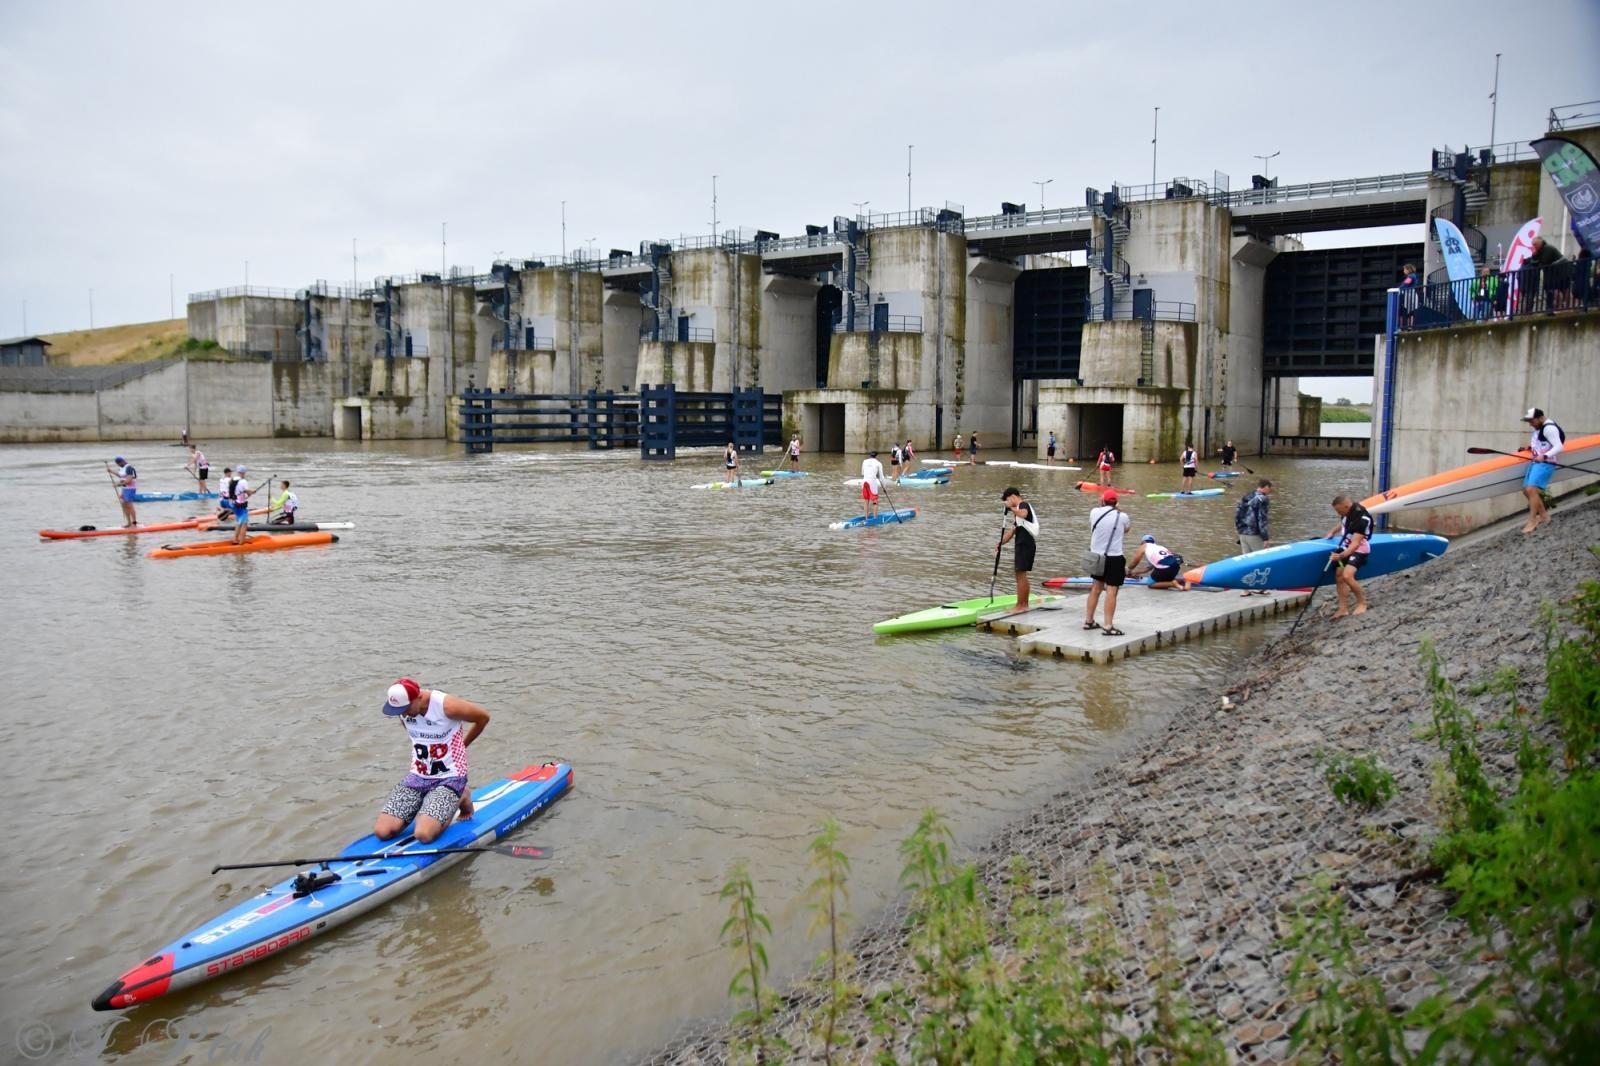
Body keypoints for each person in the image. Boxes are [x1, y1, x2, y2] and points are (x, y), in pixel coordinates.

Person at [374, 678, 490, 845]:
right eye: (400, 711)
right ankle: (429, 801)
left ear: (419, 697)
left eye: (406, 709)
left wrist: (463, 745)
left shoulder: (447, 706)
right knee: (383, 832)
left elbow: (483, 717)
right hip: (418, 775)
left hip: (450, 776)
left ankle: (461, 795)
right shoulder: (403, 710)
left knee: (423, 834)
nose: (404, 714)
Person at [1083, 490, 1132, 636]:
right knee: (1111, 592)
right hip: (1114, 558)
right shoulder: (1122, 516)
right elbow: (1126, 530)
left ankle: (1089, 621)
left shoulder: (1094, 512)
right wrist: (1118, 510)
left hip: (1097, 557)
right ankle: (1108, 626)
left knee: (1095, 588)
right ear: (1116, 502)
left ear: (1103, 501)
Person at [1325, 495, 1374, 618]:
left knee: (1347, 576)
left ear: (1346, 506)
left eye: (1339, 511)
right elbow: (1343, 523)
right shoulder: (1347, 513)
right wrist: (1332, 532)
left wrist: (1340, 556)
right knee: (1339, 576)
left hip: (1359, 550)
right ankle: (1343, 609)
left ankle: (1362, 603)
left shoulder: (1362, 519)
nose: (1338, 513)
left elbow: (1355, 544)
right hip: (1346, 547)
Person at [1518, 407, 1564, 534]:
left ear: (1540, 418)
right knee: (1526, 491)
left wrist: (1544, 456)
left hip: (1545, 463)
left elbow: (1559, 446)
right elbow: (1543, 443)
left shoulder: (1549, 428)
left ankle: (1532, 520)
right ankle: (1544, 516)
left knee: (1531, 489)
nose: (1530, 424)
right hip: (1537, 461)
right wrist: (1530, 448)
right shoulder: (1540, 427)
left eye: (1532, 421)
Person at [997, 486, 1040, 611]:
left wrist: (1010, 508)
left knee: (1021, 575)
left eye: (1007, 500)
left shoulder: (1023, 505)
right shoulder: (1018, 512)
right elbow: (1012, 531)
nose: (1007, 503)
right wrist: (1000, 543)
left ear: (1012, 497)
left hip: (1025, 544)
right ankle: (1022, 604)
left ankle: (1021, 605)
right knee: (1019, 574)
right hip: (1022, 543)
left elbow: (1024, 514)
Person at [1234, 479, 1274, 595]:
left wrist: (1239, 530)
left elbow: (1237, 515)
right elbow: (1262, 519)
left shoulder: (1246, 496)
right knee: (1261, 560)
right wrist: (1265, 538)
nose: (1270, 491)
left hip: (1243, 533)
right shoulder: (1263, 499)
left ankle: (1245, 589)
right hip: (1255, 534)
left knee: (1246, 561)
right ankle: (1260, 587)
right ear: (1266, 487)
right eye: (1270, 489)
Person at [228, 464, 263, 545]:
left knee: (239, 522)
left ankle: (235, 540)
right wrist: (252, 491)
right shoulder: (243, 481)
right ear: (243, 472)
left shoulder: (232, 480)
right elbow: (247, 491)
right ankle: (241, 543)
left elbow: (240, 493)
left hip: (234, 504)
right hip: (241, 505)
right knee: (244, 524)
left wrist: (249, 493)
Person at [106, 457, 138, 527]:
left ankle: (134, 523)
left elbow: (129, 481)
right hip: (124, 489)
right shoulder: (122, 468)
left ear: (121, 462)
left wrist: (118, 484)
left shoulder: (129, 468)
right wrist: (111, 471)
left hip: (130, 489)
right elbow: (121, 476)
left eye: (118, 464)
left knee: (129, 505)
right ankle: (129, 523)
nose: (118, 465)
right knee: (123, 504)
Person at [860, 451, 884, 519]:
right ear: (877, 456)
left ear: (870, 456)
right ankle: (875, 518)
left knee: (866, 500)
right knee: (875, 501)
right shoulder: (878, 463)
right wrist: (884, 486)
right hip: (872, 482)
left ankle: (866, 518)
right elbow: (881, 477)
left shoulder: (864, 461)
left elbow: (862, 473)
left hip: (864, 482)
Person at [1399, 263, 1421, 328]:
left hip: (1410, 295)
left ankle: (1409, 326)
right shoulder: (1412, 276)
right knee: (1410, 311)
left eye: (1404, 269)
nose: (1404, 271)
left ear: (1408, 270)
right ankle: (1409, 326)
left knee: (1409, 311)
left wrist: (1398, 289)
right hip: (1410, 294)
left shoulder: (1411, 276)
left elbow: (1405, 284)